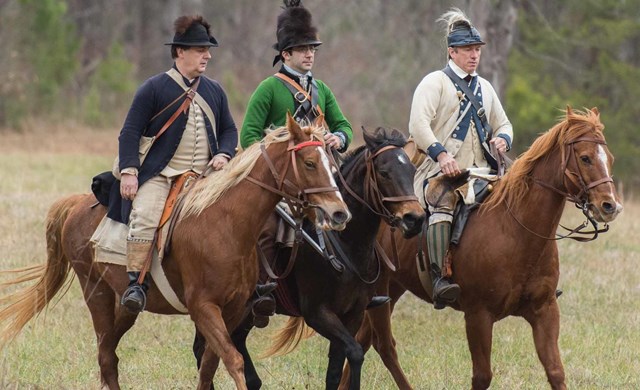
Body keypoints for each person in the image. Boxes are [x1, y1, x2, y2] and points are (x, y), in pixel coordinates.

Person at [240, 0, 388, 326]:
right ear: (285, 54)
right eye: (301, 49)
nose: (309, 54)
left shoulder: (321, 89)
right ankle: (264, 288)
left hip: (323, 172)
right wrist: (274, 164)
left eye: (312, 49)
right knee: (268, 229)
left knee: (360, 216)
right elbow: (248, 136)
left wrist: (340, 139)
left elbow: (345, 125)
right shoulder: (269, 88)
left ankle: (364, 284)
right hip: (285, 180)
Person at [110, 15, 238, 314]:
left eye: (208, 49)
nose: (207, 55)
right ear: (180, 51)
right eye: (199, 49)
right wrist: (129, 172)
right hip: (162, 175)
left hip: (206, 176)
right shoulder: (153, 88)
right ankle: (136, 284)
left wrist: (225, 154)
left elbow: (229, 130)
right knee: (144, 215)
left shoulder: (215, 90)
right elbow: (130, 132)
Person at [408, 8, 513, 309]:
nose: (474, 55)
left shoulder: (486, 88)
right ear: (452, 52)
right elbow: (418, 125)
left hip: (483, 173)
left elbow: (504, 124)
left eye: (477, 49)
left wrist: (503, 139)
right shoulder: (434, 83)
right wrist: (441, 155)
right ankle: (441, 278)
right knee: (443, 202)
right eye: (467, 49)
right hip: (440, 172)